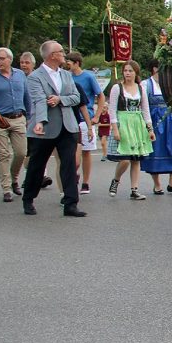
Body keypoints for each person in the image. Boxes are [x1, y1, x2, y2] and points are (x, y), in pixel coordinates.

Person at [21, 40, 85, 217]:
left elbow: (75, 97)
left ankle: (71, 203)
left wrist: (59, 99)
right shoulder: (35, 77)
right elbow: (39, 100)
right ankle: (28, 199)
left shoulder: (66, 75)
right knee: (37, 164)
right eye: (61, 52)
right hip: (46, 127)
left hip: (68, 126)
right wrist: (40, 121)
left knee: (69, 165)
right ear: (52, 56)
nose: (64, 54)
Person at [107, 60, 154, 200]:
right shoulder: (117, 88)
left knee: (136, 159)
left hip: (137, 123)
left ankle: (134, 189)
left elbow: (145, 110)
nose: (127, 73)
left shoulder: (141, 88)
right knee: (125, 159)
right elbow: (112, 110)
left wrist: (150, 129)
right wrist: (115, 129)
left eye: (130, 71)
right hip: (123, 122)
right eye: (126, 71)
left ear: (136, 73)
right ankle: (116, 180)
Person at [0, 47, 32, 202]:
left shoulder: (20, 75)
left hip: (19, 118)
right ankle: (6, 189)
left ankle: (14, 179)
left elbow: (27, 96)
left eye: (1, 58)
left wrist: (30, 116)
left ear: (10, 59)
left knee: (21, 153)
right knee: (3, 155)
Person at [140, 59, 172, 194]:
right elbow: (143, 105)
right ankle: (157, 183)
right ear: (155, 69)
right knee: (156, 150)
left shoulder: (169, 84)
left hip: (170, 120)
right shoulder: (146, 84)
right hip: (155, 120)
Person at [65, 51, 105, 195]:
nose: (67, 64)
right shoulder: (66, 76)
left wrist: (97, 116)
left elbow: (100, 96)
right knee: (71, 154)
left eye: (69, 62)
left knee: (86, 152)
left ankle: (86, 182)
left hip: (86, 117)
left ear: (76, 63)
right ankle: (73, 176)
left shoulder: (88, 76)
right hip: (71, 118)